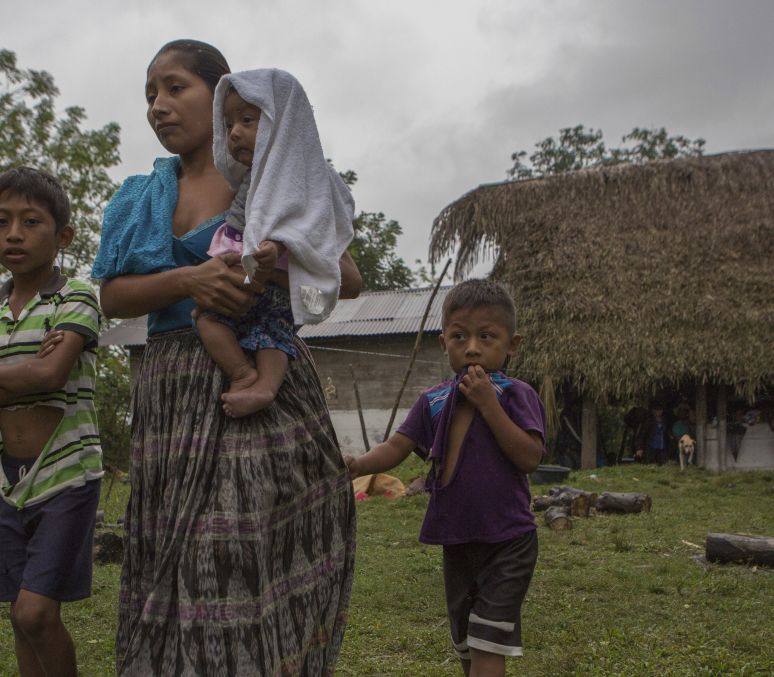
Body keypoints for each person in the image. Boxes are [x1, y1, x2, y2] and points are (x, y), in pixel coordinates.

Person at [92, 39, 361, 675]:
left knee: (244, 549)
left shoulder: (273, 177)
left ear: (220, 96)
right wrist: (190, 282)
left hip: (263, 377)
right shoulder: (141, 195)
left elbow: (345, 277)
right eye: (149, 94)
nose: (158, 106)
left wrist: (265, 272)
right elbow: (112, 296)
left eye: (174, 87)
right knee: (178, 556)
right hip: (173, 391)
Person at [0, 167, 103, 677]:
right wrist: (24, 371)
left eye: (31, 222)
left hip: (67, 475)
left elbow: (53, 375)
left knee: (36, 612)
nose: (15, 233)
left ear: (63, 236)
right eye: (2, 221)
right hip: (10, 482)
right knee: (18, 615)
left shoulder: (76, 296)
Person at [343, 279, 544, 677]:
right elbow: (398, 447)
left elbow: (530, 457)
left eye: (486, 336)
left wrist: (489, 405)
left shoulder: (516, 395)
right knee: (467, 644)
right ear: (443, 343)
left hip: (508, 539)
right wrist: (358, 464)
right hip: (456, 538)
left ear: (512, 344)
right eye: (459, 336)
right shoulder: (433, 400)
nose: (471, 347)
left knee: (489, 644)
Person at [194, 68, 355, 417]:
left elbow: (297, 219)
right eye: (228, 124)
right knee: (206, 319)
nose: (235, 132)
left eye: (248, 120)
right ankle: (241, 373)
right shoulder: (249, 178)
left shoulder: (299, 177)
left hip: (273, 281)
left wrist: (275, 250)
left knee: (272, 333)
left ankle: (265, 387)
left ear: (282, 122)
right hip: (242, 278)